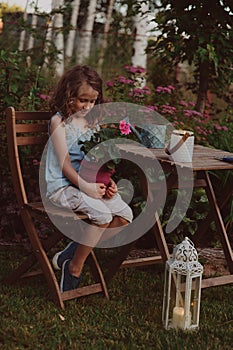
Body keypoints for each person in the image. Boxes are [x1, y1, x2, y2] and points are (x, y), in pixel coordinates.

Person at [45, 65, 133, 292]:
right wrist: (86, 187)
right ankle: (75, 266)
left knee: (125, 216)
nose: (88, 106)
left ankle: (71, 253)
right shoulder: (59, 122)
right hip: (62, 187)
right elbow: (64, 165)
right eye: (82, 100)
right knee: (102, 215)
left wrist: (108, 182)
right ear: (68, 94)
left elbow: (97, 161)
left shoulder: (92, 122)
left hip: (89, 184)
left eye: (93, 101)